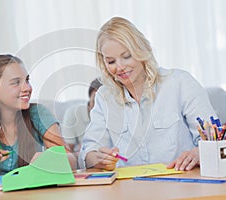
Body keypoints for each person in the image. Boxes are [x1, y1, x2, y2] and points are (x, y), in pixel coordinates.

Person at [78, 17, 216, 171]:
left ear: (141, 50)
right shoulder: (104, 97)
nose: (120, 67)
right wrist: (96, 158)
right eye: (111, 61)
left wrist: (199, 153)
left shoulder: (180, 83)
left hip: (181, 184)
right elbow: (88, 152)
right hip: (129, 190)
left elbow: (214, 140)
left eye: (127, 56)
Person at [61, 78, 102, 152]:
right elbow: (66, 151)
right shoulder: (73, 113)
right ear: (90, 100)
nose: (98, 107)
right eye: (95, 101)